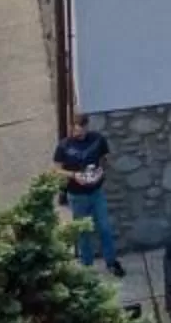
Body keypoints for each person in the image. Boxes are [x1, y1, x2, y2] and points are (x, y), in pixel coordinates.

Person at [53, 111, 123, 275]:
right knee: (84, 231)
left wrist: (101, 170)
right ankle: (87, 267)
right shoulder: (64, 146)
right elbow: (57, 170)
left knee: (105, 227)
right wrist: (74, 175)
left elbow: (106, 158)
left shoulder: (97, 139)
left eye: (83, 129)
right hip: (77, 195)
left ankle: (111, 262)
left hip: (96, 192)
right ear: (72, 128)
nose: (81, 133)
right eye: (77, 129)